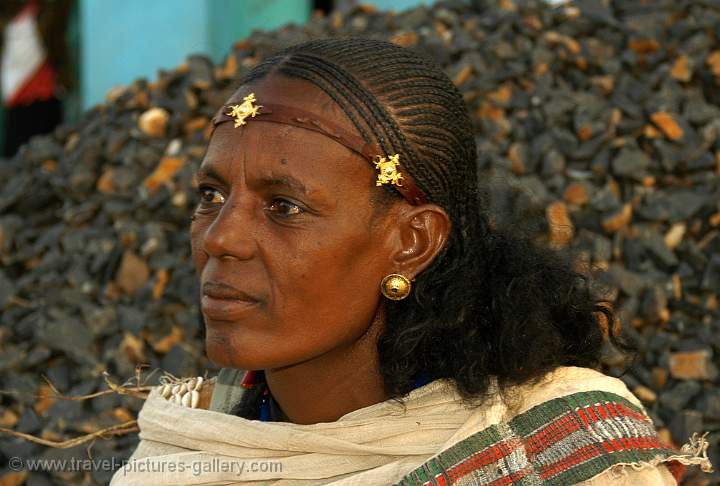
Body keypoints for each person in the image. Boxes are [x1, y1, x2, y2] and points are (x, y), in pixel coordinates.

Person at [110, 37, 712, 485]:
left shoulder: (555, 455)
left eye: (285, 206)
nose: (221, 238)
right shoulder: (185, 451)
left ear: (412, 241)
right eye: (211, 196)